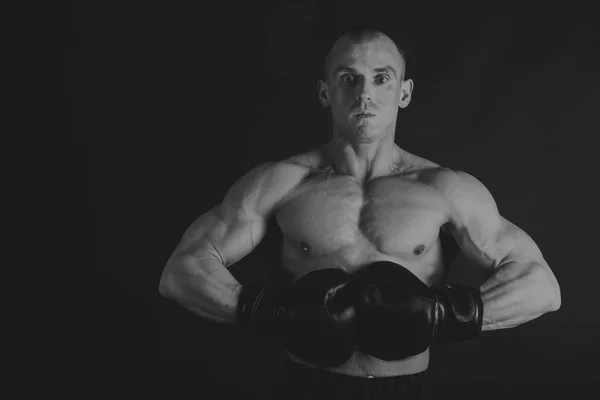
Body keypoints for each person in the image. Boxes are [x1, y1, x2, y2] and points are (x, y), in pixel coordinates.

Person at [158, 26, 562, 399]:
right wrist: (273, 316)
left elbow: (540, 286)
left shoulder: (445, 188)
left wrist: (443, 316)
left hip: (405, 388)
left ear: (403, 92)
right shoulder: (281, 182)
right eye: (348, 78)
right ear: (325, 92)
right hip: (307, 385)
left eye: (381, 78)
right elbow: (182, 272)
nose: (364, 93)